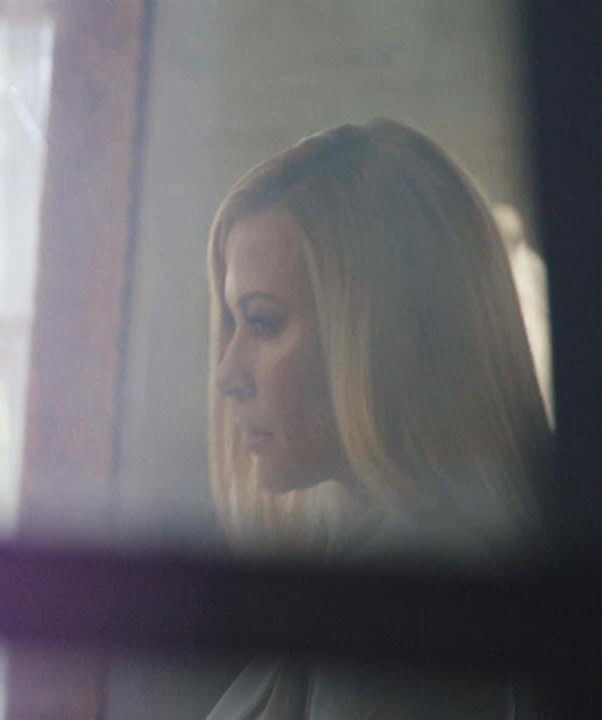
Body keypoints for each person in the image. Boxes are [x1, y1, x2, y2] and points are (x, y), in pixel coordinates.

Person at [204, 120, 550, 718]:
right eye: (234, 323)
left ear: (383, 335)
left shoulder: (411, 596)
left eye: (262, 322)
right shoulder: (427, 559)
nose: (227, 374)